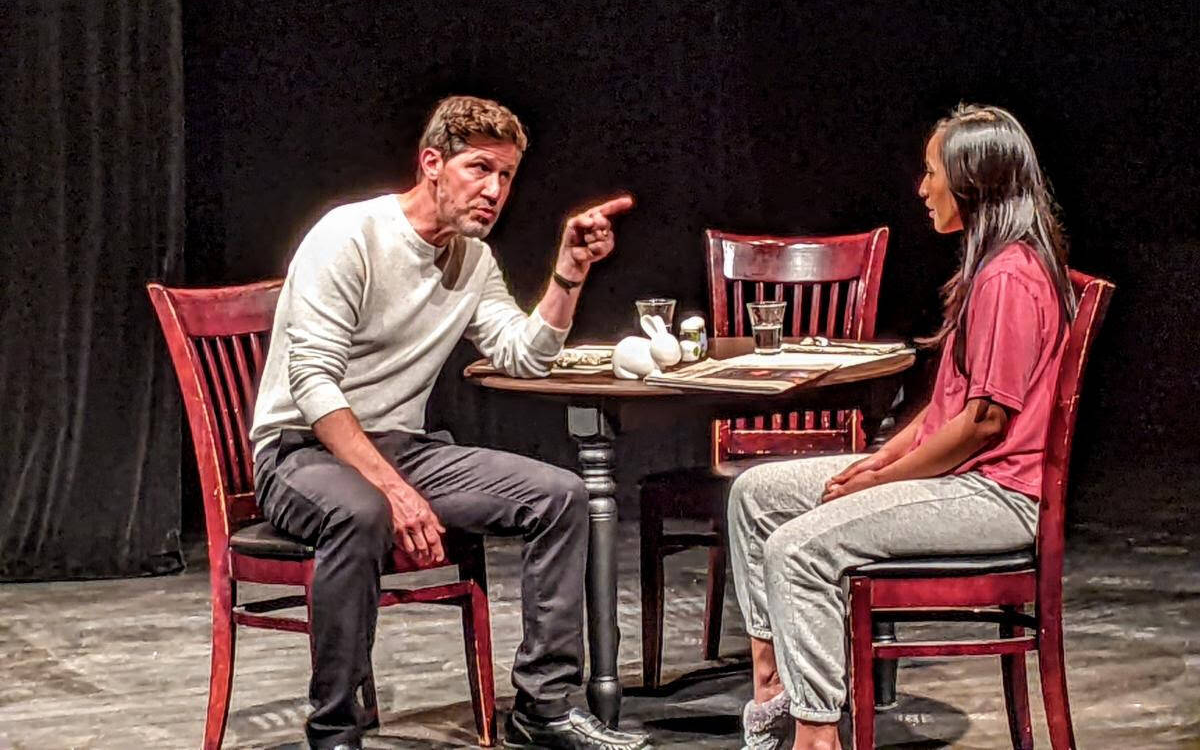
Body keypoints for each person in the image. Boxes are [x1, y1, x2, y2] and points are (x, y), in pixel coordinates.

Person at [249, 96, 650, 750]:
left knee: (559, 497)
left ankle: (543, 709)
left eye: (507, 176)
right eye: (479, 168)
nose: (494, 190)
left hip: (402, 447)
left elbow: (521, 355)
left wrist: (569, 275)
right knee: (361, 512)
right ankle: (334, 732)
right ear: (431, 163)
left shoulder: (472, 260)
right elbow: (313, 387)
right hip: (302, 452)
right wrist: (393, 489)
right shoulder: (349, 237)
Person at [727, 103, 1076, 750]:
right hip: (961, 479)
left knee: (797, 549)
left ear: (971, 180)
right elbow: (946, 410)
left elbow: (981, 425)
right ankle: (772, 696)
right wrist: (880, 462)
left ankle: (814, 734)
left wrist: (876, 483)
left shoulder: (1009, 277)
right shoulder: (986, 269)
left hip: (995, 497)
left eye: (932, 172)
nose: (922, 188)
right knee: (757, 496)